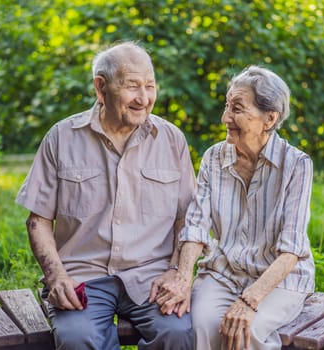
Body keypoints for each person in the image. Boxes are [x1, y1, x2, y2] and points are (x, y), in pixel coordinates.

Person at [15, 41, 196, 350]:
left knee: (178, 334)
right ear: (101, 88)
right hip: (83, 276)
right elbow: (38, 220)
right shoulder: (62, 138)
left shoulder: (171, 139)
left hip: (151, 277)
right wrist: (56, 276)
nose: (144, 98)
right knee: (76, 339)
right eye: (132, 87)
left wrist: (177, 272)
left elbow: (187, 219)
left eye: (150, 86)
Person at [154, 65, 315, 350]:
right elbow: (195, 227)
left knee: (243, 332)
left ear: (269, 118)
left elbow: (291, 250)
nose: (225, 117)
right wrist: (183, 279)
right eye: (227, 106)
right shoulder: (214, 157)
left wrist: (250, 300)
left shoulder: (296, 165)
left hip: (279, 280)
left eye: (237, 109)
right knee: (198, 327)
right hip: (224, 273)